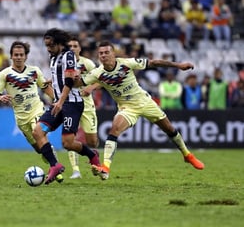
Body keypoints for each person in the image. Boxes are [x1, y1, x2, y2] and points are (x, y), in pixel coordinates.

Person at [77, 41, 204, 180]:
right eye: (101, 53)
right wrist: (66, 76)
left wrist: (178, 65)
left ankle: (187, 155)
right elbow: (80, 82)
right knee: (114, 130)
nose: (103, 55)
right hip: (127, 108)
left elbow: (154, 63)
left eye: (107, 52)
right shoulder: (97, 73)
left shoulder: (126, 63)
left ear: (113, 53)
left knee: (169, 129)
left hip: (145, 102)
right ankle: (105, 167)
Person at [32, 28, 100, 185]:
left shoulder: (68, 55)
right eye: (46, 45)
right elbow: (61, 77)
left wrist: (60, 102)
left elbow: (69, 81)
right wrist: (53, 81)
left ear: (59, 43)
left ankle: (92, 155)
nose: (48, 48)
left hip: (71, 104)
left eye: (50, 45)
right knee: (37, 132)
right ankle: (55, 165)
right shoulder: (53, 58)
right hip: (59, 102)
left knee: (67, 143)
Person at [0, 41, 63, 182]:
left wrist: (57, 100)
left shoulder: (34, 71)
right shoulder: (4, 74)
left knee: (39, 133)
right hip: (21, 117)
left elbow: (45, 87)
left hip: (37, 110)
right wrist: (1, 97)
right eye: (16, 55)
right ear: (11, 56)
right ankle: (53, 162)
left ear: (26, 56)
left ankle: (56, 168)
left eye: (21, 55)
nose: (18, 57)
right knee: (39, 148)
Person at [66, 37, 99, 179]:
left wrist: (91, 88)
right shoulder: (63, 63)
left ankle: (93, 155)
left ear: (80, 49)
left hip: (86, 104)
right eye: (70, 46)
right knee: (69, 138)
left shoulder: (88, 63)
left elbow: (102, 78)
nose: (72, 48)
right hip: (70, 104)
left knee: (92, 141)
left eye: (75, 46)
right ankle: (76, 170)